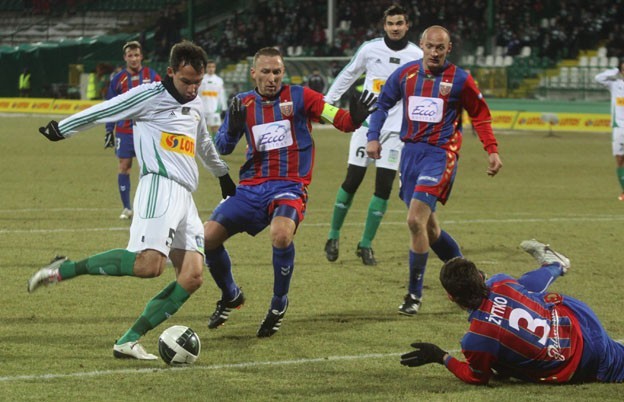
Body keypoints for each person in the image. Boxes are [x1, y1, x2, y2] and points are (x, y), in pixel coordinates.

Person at [27, 41, 237, 360]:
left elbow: (203, 140)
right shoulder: (150, 96)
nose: (193, 89)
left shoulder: (194, 103)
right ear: (171, 72)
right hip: (159, 185)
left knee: (192, 276)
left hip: (185, 197)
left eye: (197, 82)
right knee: (148, 265)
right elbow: (108, 109)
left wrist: (221, 173)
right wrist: (64, 128)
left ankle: (128, 340)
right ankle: (65, 269)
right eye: (186, 81)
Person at [203, 47, 377, 338]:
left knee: (282, 234)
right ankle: (231, 294)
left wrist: (355, 119)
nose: (272, 78)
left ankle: (278, 303)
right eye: (266, 72)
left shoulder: (301, 96)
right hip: (250, 188)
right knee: (207, 239)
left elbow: (341, 120)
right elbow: (222, 147)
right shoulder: (241, 103)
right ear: (254, 73)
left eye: (277, 72)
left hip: (289, 186)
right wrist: (231, 128)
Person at [366, 25, 503, 315]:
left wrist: (491, 149)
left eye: (441, 47)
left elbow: (480, 115)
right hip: (410, 156)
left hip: (440, 156)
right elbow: (382, 104)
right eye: (430, 46)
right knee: (430, 228)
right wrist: (373, 136)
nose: (435, 52)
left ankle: (414, 296)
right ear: (422, 45)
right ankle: (474, 282)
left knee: (415, 220)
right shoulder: (406, 75)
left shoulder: (460, 80)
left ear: (449, 49)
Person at [400, 239, 624, 384]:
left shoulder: (476, 340)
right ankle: (554, 266)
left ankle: (554, 265)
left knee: (496, 354)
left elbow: (476, 377)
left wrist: (441, 356)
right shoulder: (501, 282)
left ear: (451, 297)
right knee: (526, 291)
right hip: (578, 318)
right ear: (480, 276)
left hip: (581, 357)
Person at [323, 4, 423, 266]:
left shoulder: (416, 55)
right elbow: (348, 74)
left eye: (399, 23)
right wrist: (327, 104)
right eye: (391, 24)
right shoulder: (370, 48)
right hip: (365, 126)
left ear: (407, 25)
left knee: (384, 187)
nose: (395, 28)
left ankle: (365, 244)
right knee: (353, 180)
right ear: (384, 25)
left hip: (395, 131)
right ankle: (333, 236)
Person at [104, 40, 162, 220]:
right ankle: (127, 208)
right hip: (125, 131)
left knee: (151, 169)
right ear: (125, 58)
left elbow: (163, 99)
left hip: (148, 131)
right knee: (124, 167)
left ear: (141, 57)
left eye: (137, 55)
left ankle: (149, 206)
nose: (134, 59)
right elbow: (110, 106)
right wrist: (108, 130)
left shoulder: (152, 76)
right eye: (130, 56)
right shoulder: (118, 79)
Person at [595, 60, 624, 201]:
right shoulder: (615, 85)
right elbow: (598, 78)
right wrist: (615, 71)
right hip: (619, 127)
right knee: (619, 159)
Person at [198, 59, 228, 136]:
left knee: (215, 128)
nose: (211, 69)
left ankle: (214, 146)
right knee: (201, 129)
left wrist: (223, 107)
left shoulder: (219, 80)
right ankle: (202, 147)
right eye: (209, 67)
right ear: (205, 68)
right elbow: (197, 94)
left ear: (215, 68)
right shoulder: (201, 79)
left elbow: (222, 94)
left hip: (214, 109)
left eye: (213, 67)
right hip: (202, 109)